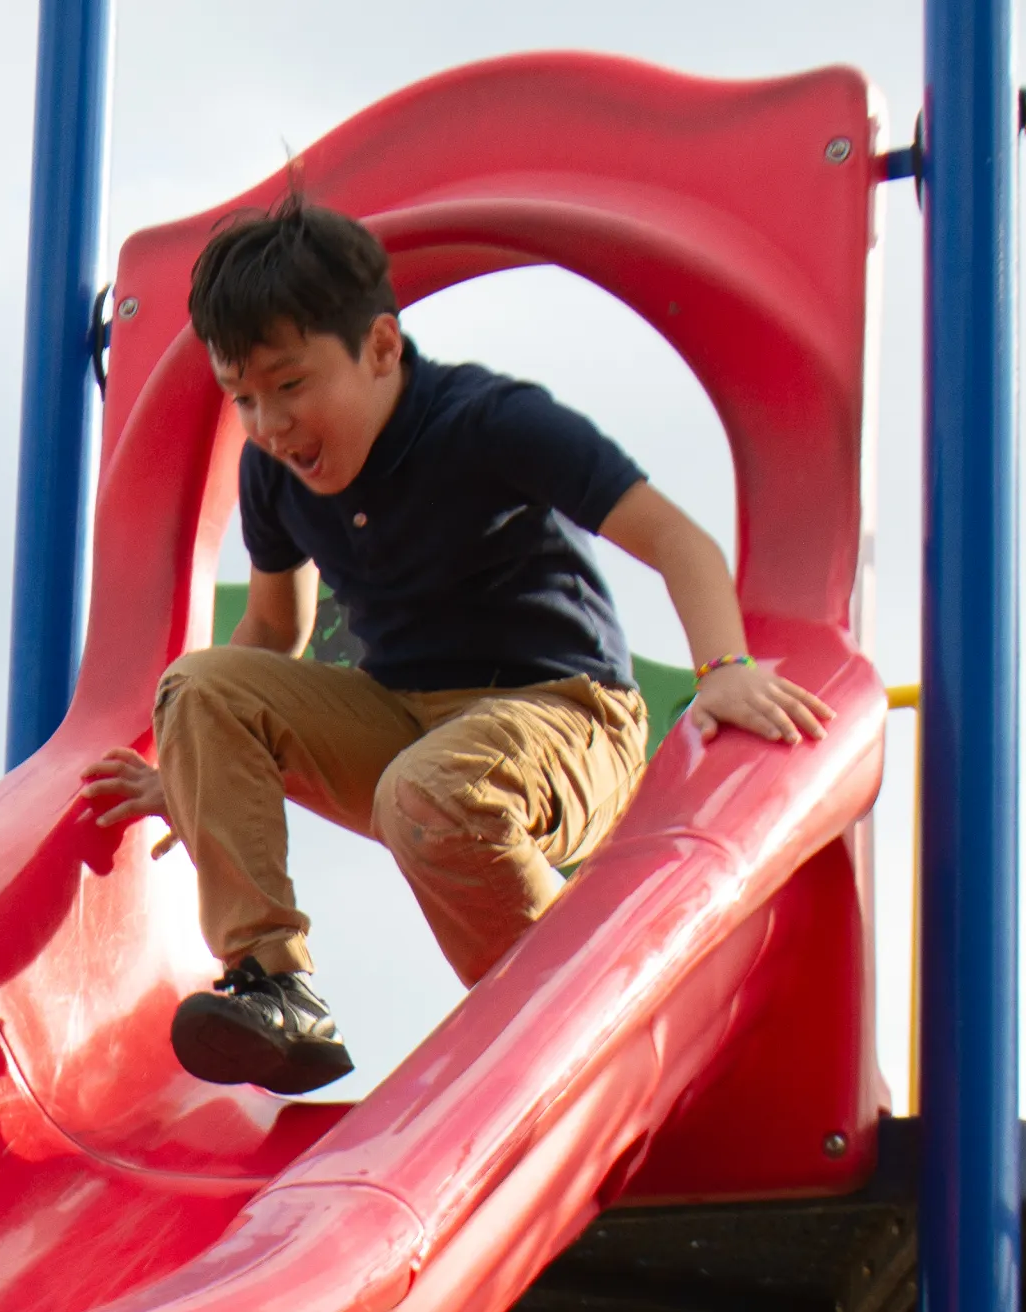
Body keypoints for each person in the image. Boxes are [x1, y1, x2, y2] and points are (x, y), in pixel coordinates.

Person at [76, 191, 834, 1095]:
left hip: (563, 713)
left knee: (427, 794)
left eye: (291, 385)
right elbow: (274, 631)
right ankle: (277, 987)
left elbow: (679, 540)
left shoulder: (486, 422)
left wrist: (725, 670)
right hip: (404, 717)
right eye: (243, 398)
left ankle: (575, 1012)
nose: (271, 424)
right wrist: (198, 777)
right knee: (199, 688)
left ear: (383, 349)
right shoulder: (273, 476)